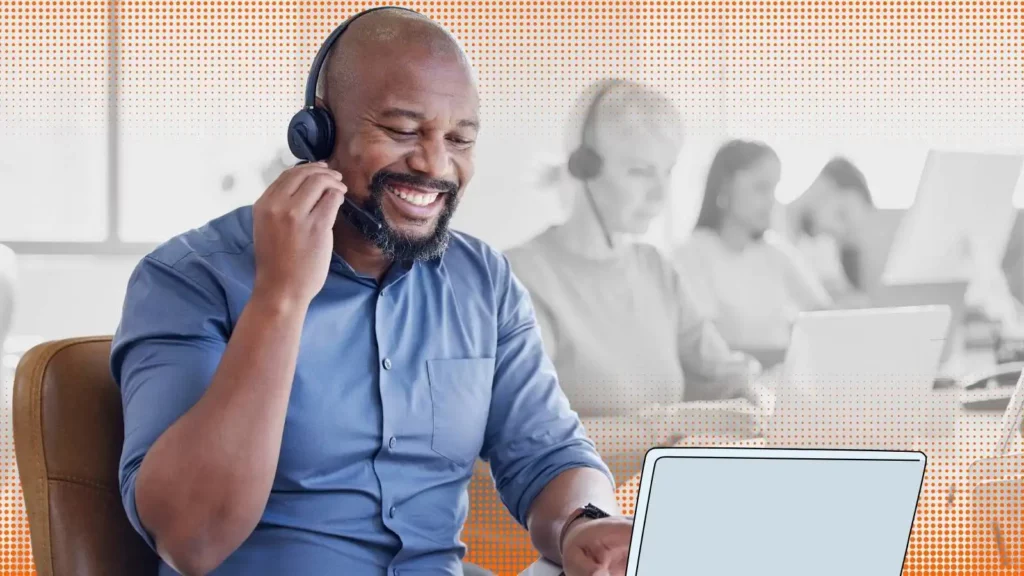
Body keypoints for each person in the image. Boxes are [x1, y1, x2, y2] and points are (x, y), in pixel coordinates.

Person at [110, 9, 632, 576]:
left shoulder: (482, 280)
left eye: (459, 139)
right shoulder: (190, 279)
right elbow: (190, 540)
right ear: (317, 134)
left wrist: (586, 523)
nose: (435, 164)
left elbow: (548, 454)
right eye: (403, 131)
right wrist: (280, 300)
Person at [505, 79, 762, 482]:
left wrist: (766, 401)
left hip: (667, 492)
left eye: (668, 171)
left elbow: (727, 374)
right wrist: (671, 422)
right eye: (641, 172)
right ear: (584, 168)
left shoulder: (654, 267)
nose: (661, 194)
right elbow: (529, 435)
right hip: (581, 518)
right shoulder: (522, 276)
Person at [673, 139, 832, 355]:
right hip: (735, 384)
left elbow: (826, 317)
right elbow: (707, 351)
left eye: (774, 189)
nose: (771, 202)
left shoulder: (777, 253)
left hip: (785, 379)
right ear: (725, 186)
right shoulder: (692, 254)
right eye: (761, 188)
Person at [780, 156, 876, 304]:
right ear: (823, 187)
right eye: (841, 215)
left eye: (847, 230)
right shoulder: (765, 228)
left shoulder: (824, 245)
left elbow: (853, 300)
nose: (838, 231)